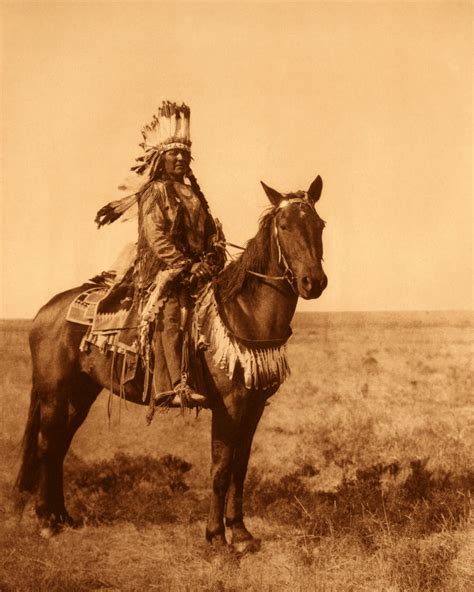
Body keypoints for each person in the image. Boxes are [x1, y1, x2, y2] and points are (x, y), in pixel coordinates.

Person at [96, 101, 225, 408]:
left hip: (197, 272)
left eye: (184, 153)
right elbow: (156, 237)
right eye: (173, 153)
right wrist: (185, 266)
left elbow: (211, 234)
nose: (180, 158)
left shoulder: (195, 195)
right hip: (162, 273)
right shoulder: (154, 192)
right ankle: (172, 386)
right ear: (160, 158)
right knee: (172, 312)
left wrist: (211, 259)